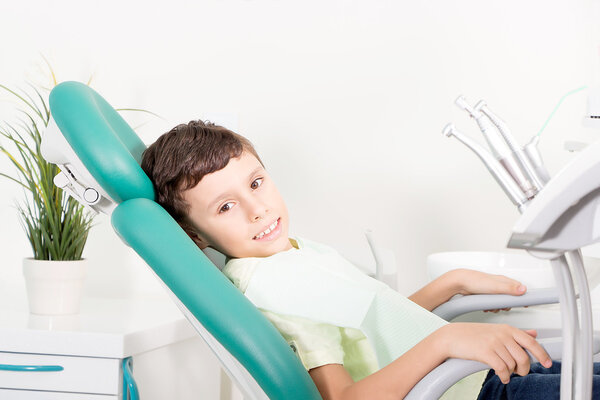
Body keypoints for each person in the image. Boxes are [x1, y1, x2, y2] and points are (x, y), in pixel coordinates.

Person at [141, 120, 599, 400]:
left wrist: (449, 286)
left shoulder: (289, 257)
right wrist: (446, 341)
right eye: (225, 207)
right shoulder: (278, 291)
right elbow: (345, 398)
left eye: (256, 183)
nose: (256, 208)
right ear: (193, 234)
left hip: (476, 377)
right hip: (477, 390)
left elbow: (370, 329)